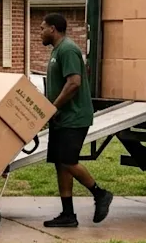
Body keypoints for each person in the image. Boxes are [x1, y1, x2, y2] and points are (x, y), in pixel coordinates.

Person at [40, 12, 112, 227]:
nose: (40, 32)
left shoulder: (68, 49)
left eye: (42, 28)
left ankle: (100, 194)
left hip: (74, 117)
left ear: (53, 29)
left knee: (68, 161)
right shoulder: (57, 51)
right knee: (61, 165)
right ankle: (68, 215)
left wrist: (53, 107)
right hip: (61, 118)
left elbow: (74, 83)